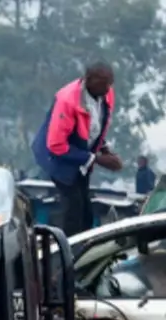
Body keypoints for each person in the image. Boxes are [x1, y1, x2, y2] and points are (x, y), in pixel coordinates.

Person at [31, 62, 123, 238]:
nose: (107, 89)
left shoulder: (107, 94)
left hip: (81, 158)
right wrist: (96, 159)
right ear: (89, 80)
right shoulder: (68, 101)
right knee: (74, 210)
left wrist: (104, 149)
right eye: (103, 83)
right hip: (58, 158)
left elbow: (96, 127)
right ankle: (70, 252)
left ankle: (85, 247)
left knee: (86, 212)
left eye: (110, 83)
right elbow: (56, 145)